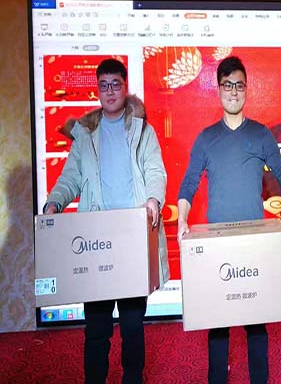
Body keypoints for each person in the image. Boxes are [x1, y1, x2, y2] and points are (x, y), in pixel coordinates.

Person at [44, 58, 169, 384]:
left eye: (115, 84)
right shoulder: (86, 134)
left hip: (131, 240)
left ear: (125, 87)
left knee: (132, 326)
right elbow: (70, 178)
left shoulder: (143, 130)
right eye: (104, 85)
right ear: (97, 90)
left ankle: (132, 379)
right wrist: (54, 203)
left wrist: (153, 199)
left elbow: (155, 170)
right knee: (97, 327)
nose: (110, 91)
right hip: (95, 243)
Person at [177, 55, 281, 384]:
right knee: (217, 324)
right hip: (218, 243)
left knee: (256, 323)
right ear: (218, 89)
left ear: (246, 90)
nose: (233, 91)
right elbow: (189, 182)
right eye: (227, 85)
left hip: (253, 242)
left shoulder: (260, 134)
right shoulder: (206, 138)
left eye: (239, 85)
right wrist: (182, 218)